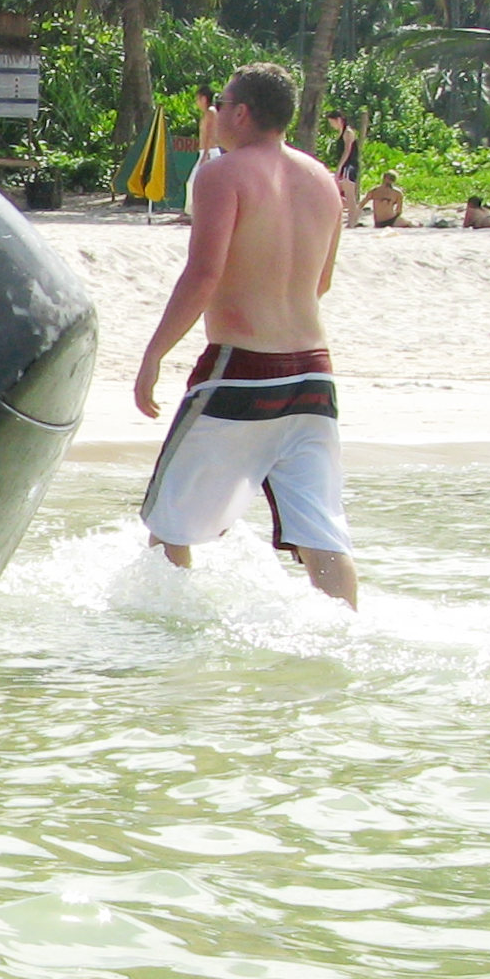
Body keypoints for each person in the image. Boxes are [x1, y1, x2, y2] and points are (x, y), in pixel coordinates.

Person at [134, 63, 357, 606]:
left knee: (171, 525)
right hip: (313, 373)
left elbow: (204, 274)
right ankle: (350, 638)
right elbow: (320, 281)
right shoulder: (322, 180)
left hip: (241, 369)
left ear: (241, 111)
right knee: (321, 533)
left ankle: (169, 641)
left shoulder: (222, 174)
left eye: (221, 103)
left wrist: (154, 355)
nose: (214, 113)